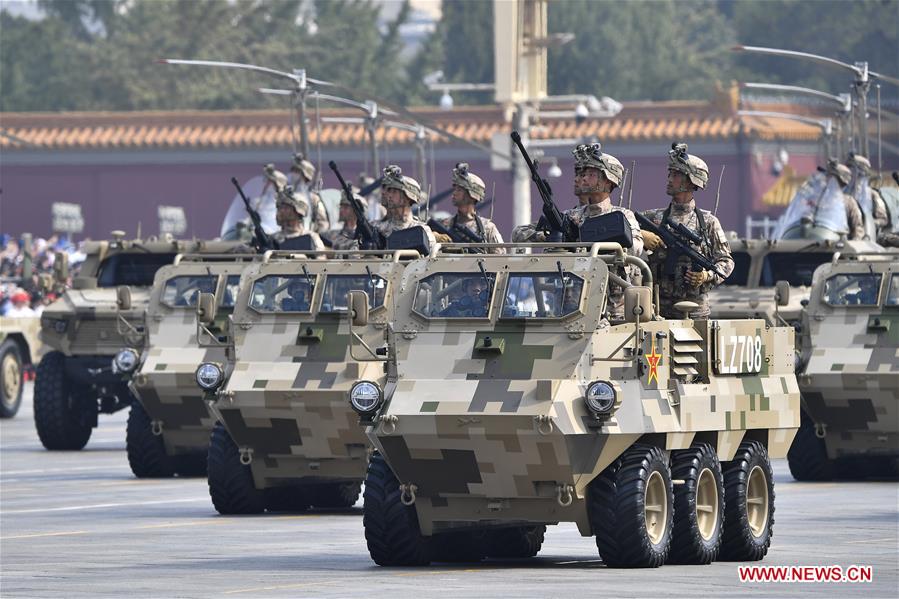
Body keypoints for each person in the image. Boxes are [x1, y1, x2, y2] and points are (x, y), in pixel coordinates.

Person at [641, 143, 734, 319]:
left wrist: (706, 275)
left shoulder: (708, 223)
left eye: (675, 175)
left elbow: (726, 262)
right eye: (670, 174)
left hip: (695, 310)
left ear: (690, 181)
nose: (669, 179)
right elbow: (623, 225)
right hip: (658, 309)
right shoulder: (653, 218)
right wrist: (641, 235)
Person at [437, 163, 504, 253]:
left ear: (472, 195)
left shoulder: (487, 228)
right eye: (455, 189)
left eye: (459, 190)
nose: (454, 193)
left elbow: (499, 259)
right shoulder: (445, 225)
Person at [373, 165, 436, 247]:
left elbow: (430, 258)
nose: (389, 195)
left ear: (408, 197)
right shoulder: (378, 229)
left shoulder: (422, 231)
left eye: (394, 191)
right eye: (389, 191)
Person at [273, 185, 325, 253]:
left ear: (298, 211)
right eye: (280, 208)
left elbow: (320, 261)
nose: (281, 211)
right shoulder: (274, 238)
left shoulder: (311, 238)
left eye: (286, 208)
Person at [289, 153, 331, 234]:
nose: (293, 174)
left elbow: (323, 223)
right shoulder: (287, 196)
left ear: (304, 175)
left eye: (297, 172)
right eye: (293, 171)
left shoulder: (313, 198)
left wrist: (316, 236)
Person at [824, 160, 865, 240]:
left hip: (841, 245)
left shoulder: (848, 202)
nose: (827, 180)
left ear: (841, 181)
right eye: (827, 176)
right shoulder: (819, 200)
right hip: (819, 242)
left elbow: (858, 227)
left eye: (832, 178)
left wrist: (855, 243)